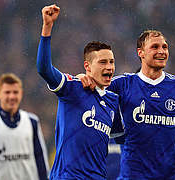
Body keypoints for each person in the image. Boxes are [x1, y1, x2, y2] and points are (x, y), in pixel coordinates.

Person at [81, 20, 175, 179]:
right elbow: (91, 88)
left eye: (165, 47)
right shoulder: (122, 84)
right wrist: (81, 76)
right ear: (140, 53)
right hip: (134, 175)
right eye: (155, 47)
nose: (162, 51)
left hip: (172, 175)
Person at [37, 5, 123, 179]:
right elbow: (44, 69)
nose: (109, 67)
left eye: (112, 62)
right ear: (87, 66)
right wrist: (47, 28)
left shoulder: (113, 101)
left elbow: (124, 139)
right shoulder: (73, 88)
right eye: (103, 62)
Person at [0, 73, 49, 180]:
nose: (12, 96)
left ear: (21, 94)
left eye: (15, 92)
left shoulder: (32, 121)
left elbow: (40, 158)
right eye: (7, 92)